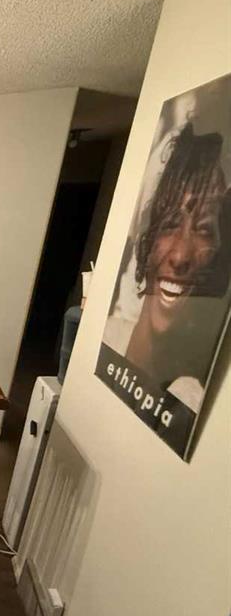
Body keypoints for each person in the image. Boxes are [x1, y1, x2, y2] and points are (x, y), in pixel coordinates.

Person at [104, 123, 231, 411]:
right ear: (148, 239)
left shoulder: (187, 398)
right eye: (171, 224)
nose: (180, 255)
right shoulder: (108, 336)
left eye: (204, 230)